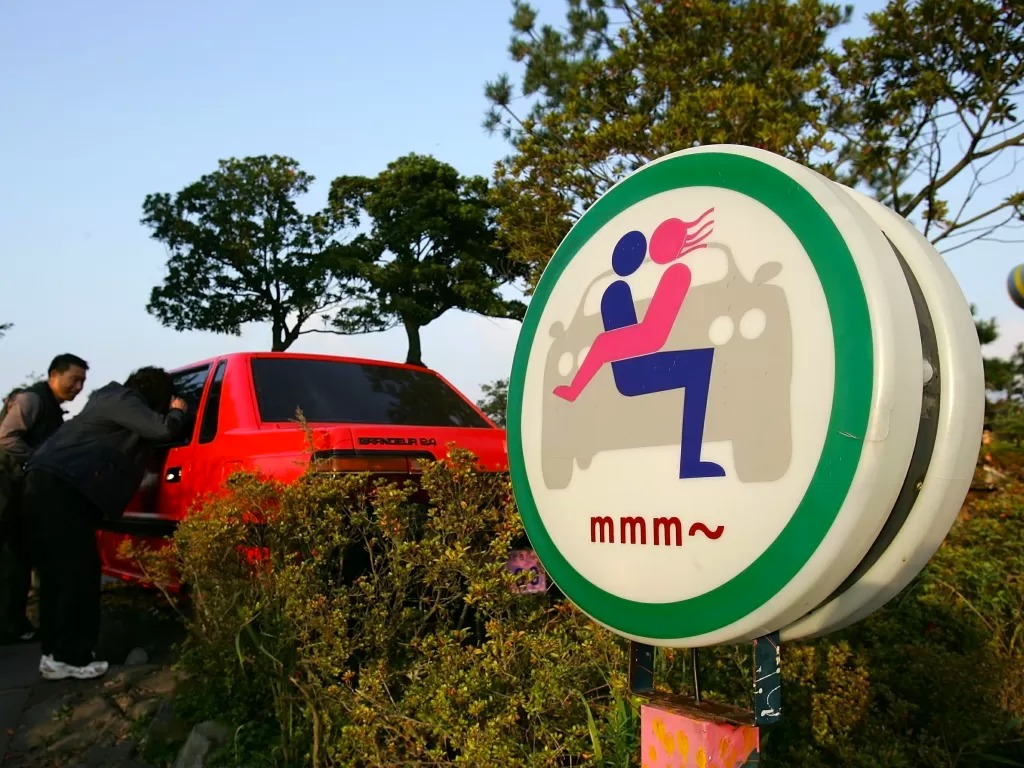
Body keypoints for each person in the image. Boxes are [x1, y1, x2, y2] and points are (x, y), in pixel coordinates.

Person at [21, 366, 187, 680]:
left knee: (56, 578)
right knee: (78, 576)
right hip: (63, 488)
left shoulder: (108, 398)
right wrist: (177, 412)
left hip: (46, 484)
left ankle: (55, 657)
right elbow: (163, 430)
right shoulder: (124, 399)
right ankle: (73, 658)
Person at [0, 354, 89, 644]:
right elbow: (6, 438)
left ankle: (15, 624)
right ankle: (11, 626)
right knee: (13, 560)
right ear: (54, 375)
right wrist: (40, 460)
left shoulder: (52, 408)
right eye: (74, 379)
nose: (78, 387)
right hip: (7, 491)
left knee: (20, 560)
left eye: (82, 381)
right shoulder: (32, 400)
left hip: (20, 493)